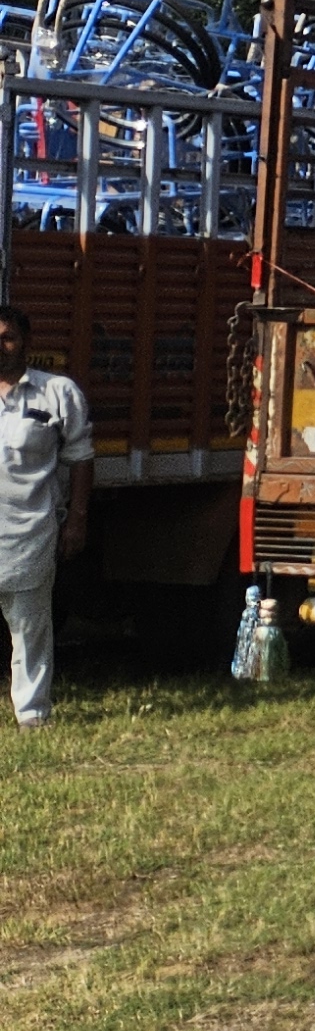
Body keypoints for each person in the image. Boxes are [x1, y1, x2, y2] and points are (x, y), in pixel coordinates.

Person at [0, 305, 97, 730]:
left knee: (29, 627)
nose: (0, 345)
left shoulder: (56, 392)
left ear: (26, 343)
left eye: (7, 336)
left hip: (30, 531)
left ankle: (33, 714)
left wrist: (77, 519)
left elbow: (81, 459)